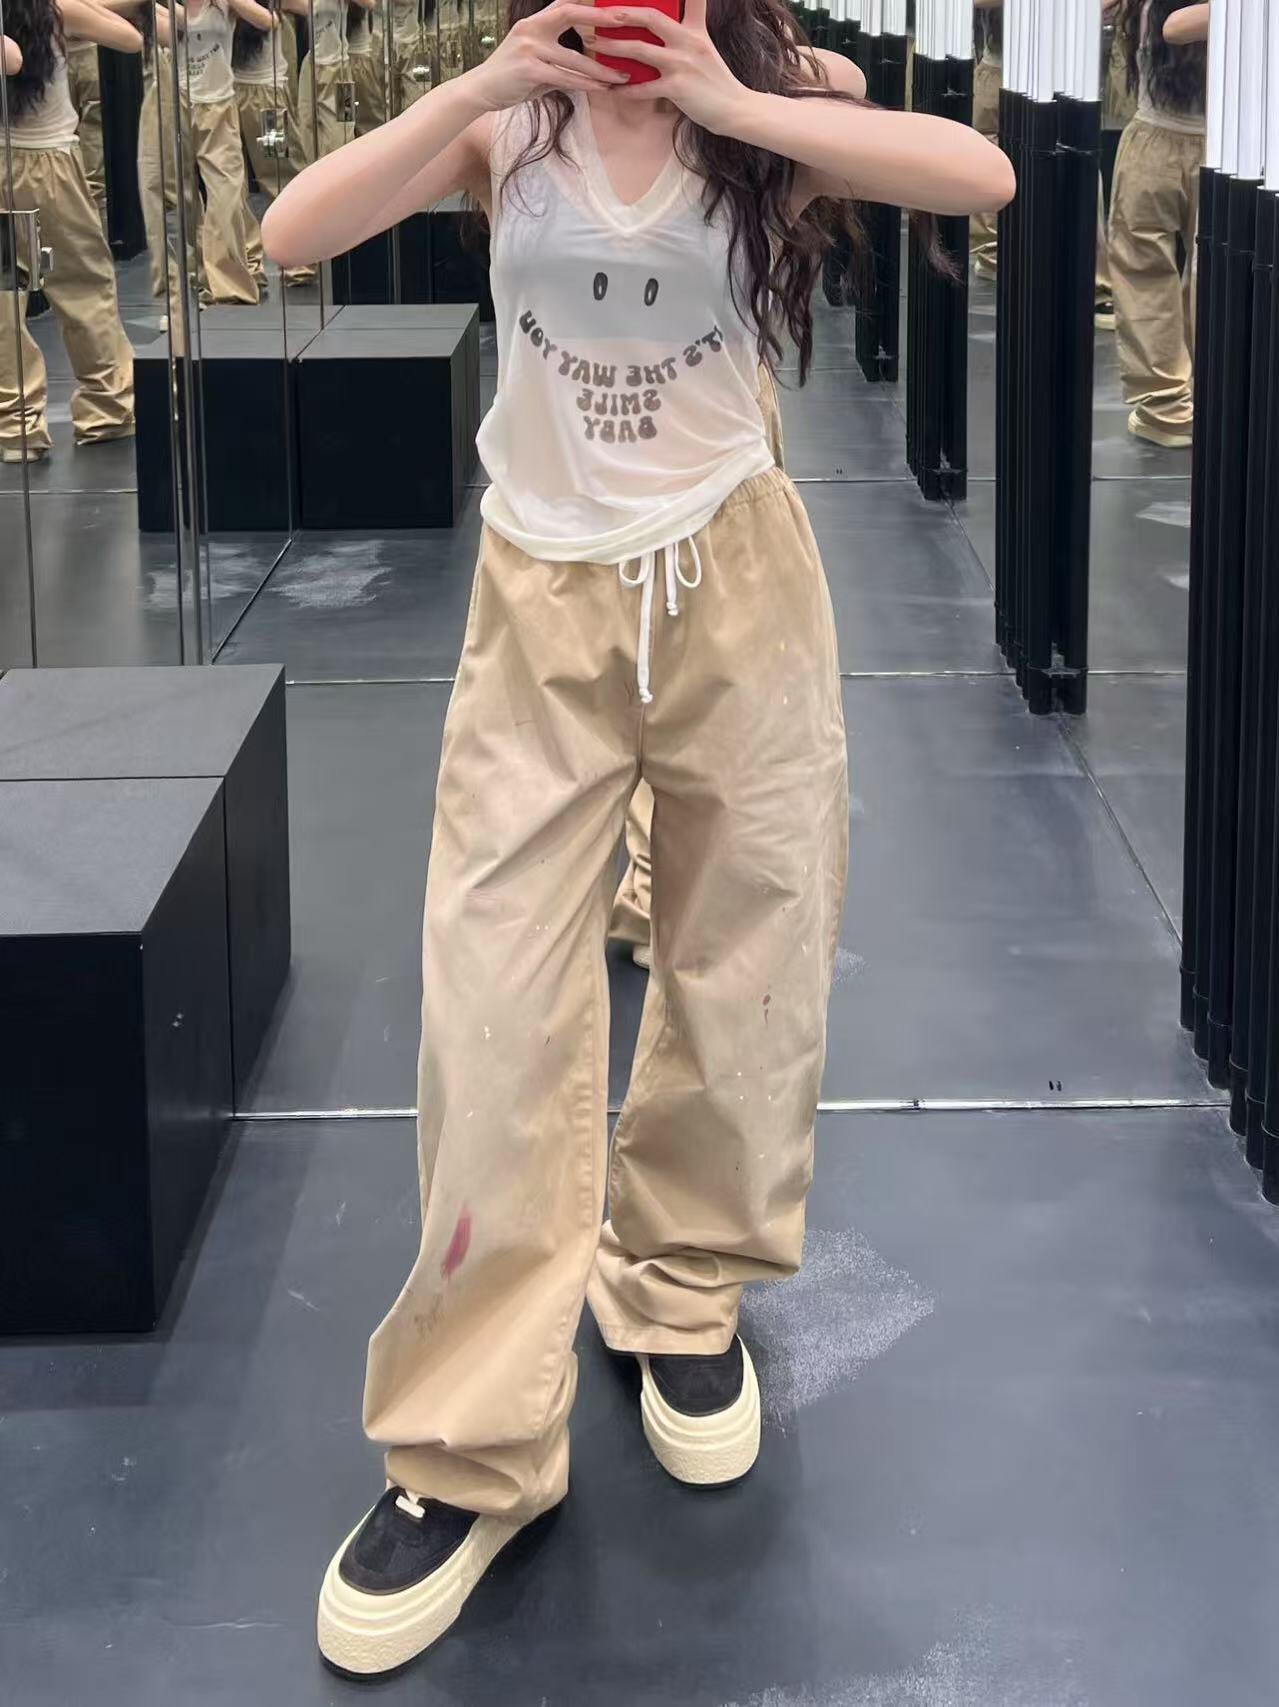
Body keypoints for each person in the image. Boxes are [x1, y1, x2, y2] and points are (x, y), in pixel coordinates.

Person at [264, 0, 1014, 1677]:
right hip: (539, 601)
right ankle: (466, 1437)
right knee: (487, 1001)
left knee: (751, 955)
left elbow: (978, 177)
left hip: (732, 578)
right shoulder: (505, 117)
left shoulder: (766, 91)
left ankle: (675, 1289)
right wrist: (476, 86)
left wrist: (739, 102)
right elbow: (289, 232)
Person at [0, 0, 139, 463]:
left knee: (4, 299)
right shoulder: (54, 12)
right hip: (50, 164)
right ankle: (107, 408)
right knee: (83, 284)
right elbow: (130, 38)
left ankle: (16, 427)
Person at [1108, 0, 1208, 448]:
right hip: (1225, 147)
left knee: (1144, 272)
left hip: (1156, 143)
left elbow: (1174, 27)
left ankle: (1167, 408)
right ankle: (1207, 395)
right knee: (1215, 273)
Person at [233, 3, 317, 282]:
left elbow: (271, 19)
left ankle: (298, 255)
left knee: (279, 175)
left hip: (266, 97)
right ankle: (248, 261)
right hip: (227, 94)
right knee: (232, 185)